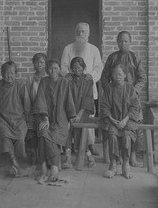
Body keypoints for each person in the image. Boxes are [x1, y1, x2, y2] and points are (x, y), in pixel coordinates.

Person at [101, 31, 146, 166]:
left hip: (131, 97)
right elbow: (104, 77)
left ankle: (131, 156)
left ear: (130, 42)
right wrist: (110, 90)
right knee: (113, 126)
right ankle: (117, 156)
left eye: (126, 41)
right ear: (117, 42)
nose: (123, 43)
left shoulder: (134, 57)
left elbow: (142, 78)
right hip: (115, 97)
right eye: (121, 41)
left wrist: (133, 91)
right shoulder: (112, 57)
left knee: (134, 125)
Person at [0, 61, 33, 177]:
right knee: (4, 136)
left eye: (12, 73)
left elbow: (27, 104)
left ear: (16, 74)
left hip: (18, 119)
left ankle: (17, 165)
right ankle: (15, 163)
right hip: (2, 119)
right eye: (7, 73)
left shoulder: (20, 85)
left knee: (20, 137)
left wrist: (28, 120)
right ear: (2, 74)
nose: (10, 76)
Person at [61, 22, 103, 155]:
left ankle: (89, 145)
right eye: (78, 31)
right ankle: (71, 145)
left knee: (87, 117)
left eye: (83, 31)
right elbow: (63, 66)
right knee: (70, 117)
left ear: (88, 34)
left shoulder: (94, 49)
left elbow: (98, 67)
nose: (80, 34)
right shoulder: (68, 48)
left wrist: (92, 76)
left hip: (87, 88)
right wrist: (67, 74)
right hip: (72, 89)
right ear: (75, 33)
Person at [33, 59, 76, 183]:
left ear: (59, 69)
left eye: (56, 68)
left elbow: (69, 101)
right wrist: (45, 118)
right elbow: (40, 101)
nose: (53, 71)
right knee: (43, 132)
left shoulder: (64, 82)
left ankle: (48, 167)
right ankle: (52, 167)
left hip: (60, 120)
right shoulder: (44, 82)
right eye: (51, 68)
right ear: (47, 70)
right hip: (45, 117)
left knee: (49, 136)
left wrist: (70, 118)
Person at [100, 64, 140, 179]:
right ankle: (113, 165)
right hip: (113, 121)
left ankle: (126, 165)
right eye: (114, 74)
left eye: (120, 74)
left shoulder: (130, 88)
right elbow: (105, 106)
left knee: (127, 137)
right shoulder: (108, 88)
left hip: (127, 121)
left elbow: (134, 107)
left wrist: (125, 119)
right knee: (112, 135)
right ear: (111, 76)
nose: (117, 77)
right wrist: (112, 119)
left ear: (125, 75)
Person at [63, 57, 95, 169]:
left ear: (84, 67)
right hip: (70, 110)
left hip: (83, 111)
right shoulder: (68, 80)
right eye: (75, 68)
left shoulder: (88, 80)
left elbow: (88, 98)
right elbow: (67, 97)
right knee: (67, 127)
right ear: (71, 68)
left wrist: (79, 114)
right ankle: (68, 158)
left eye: (80, 67)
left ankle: (88, 155)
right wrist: (71, 114)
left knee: (80, 127)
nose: (77, 70)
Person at [25, 53, 48, 164]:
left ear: (45, 64)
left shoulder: (48, 77)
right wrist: (29, 112)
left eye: (42, 62)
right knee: (31, 127)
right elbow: (28, 97)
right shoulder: (30, 78)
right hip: (34, 110)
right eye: (37, 62)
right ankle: (34, 153)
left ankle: (44, 155)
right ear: (33, 64)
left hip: (46, 111)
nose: (39, 64)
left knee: (43, 128)